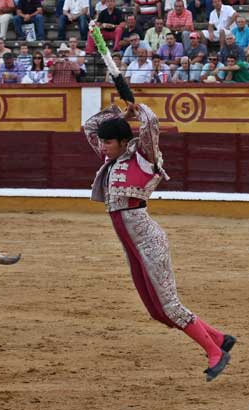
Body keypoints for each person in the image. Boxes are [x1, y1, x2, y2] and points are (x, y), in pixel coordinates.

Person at [83, 94, 235, 383]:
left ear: (124, 142)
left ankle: (215, 351)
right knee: (156, 311)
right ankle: (219, 337)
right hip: (132, 246)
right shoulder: (110, 159)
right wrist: (121, 114)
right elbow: (89, 127)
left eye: (108, 142)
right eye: (102, 143)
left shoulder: (144, 155)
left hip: (149, 242)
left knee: (170, 307)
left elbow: (151, 123)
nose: (101, 146)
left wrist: (138, 110)